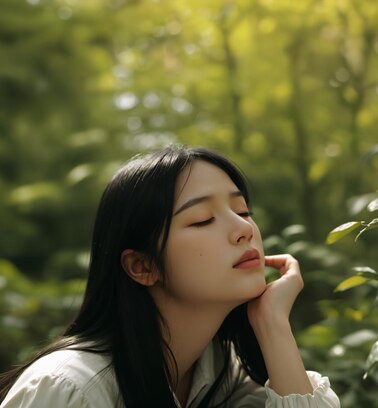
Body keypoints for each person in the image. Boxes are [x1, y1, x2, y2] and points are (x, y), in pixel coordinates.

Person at [0, 145, 341, 408]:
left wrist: (273, 324)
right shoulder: (70, 390)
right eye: (202, 220)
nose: (243, 229)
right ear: (143, 266)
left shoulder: (222, 377)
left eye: (241, 211)